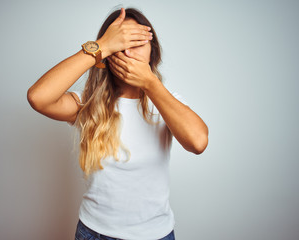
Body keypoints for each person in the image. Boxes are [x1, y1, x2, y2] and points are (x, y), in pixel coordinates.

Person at [27, 7, 208, 240]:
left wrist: (150, 84)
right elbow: (37, 97)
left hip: (155, 235)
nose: (128, 52)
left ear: (152, 52)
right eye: (120, 44)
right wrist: (100, 47)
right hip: (93, 233)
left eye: (137, 43)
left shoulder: (165, 103)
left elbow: (198, 142)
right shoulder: (88, 104)